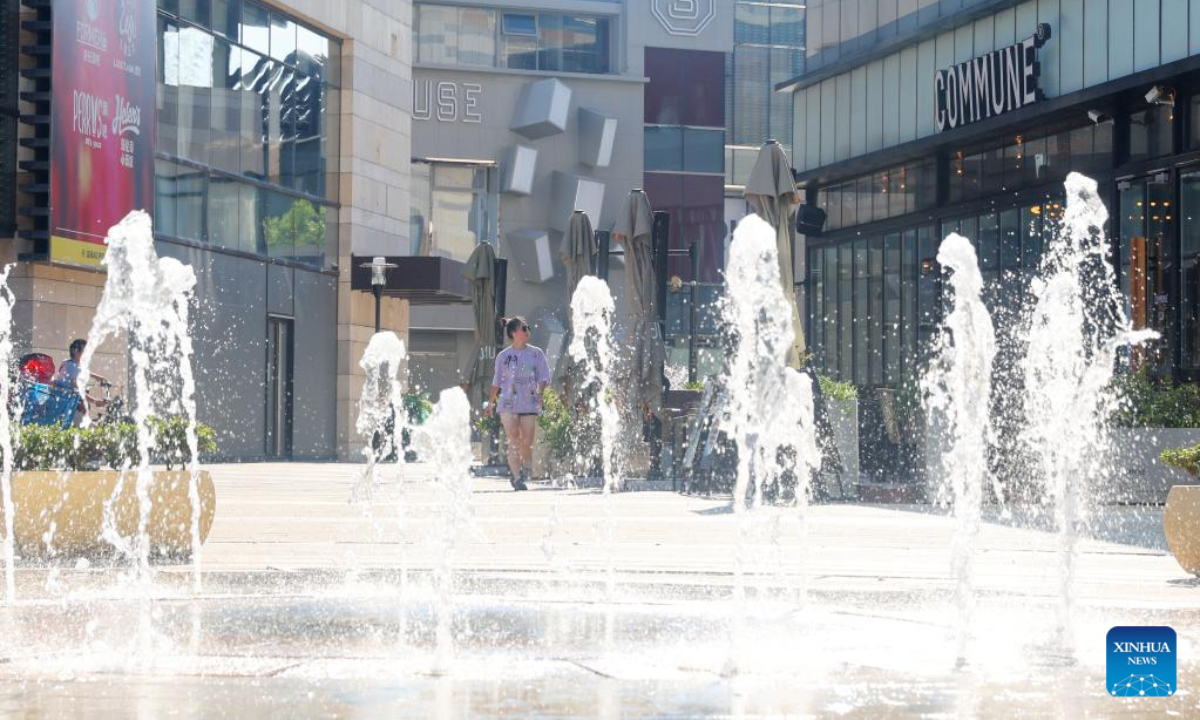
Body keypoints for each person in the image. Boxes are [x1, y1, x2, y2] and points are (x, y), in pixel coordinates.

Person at [486, 317, 550, 491]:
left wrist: (540, 390)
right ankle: (516, 476)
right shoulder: (503, 356)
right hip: (508, 402)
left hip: (529, 401)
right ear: (514, 333)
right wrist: (490, 403)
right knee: (513, 438)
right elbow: (496, 381)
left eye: (528, 327)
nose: (528, 330)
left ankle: (516, 465)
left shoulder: (536, 354)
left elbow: (544, 376)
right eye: (524, 328)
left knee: (527, 442)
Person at [53, 338, 108, 421]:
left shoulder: (68, 362)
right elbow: (78, 389)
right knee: (88, 429)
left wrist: (96, 377)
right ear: (76, 352)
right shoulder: (73, 366)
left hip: (61, 403)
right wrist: (94, 401)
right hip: (68, 408)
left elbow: (81, 370)